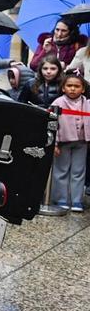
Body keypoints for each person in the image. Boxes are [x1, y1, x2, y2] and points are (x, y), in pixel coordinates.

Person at [51, 73, 90, 212]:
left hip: (82, 142)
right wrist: (54, 143)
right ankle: (61, 199)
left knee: (79, 171)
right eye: (69, 85)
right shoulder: (58, 103)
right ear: (63, 88)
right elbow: (52, 124)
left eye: (77, 86)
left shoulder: (87, 103)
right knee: (61, 170)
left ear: (83, 89)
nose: (73, 89)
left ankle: (76, 200)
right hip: (63, 142)